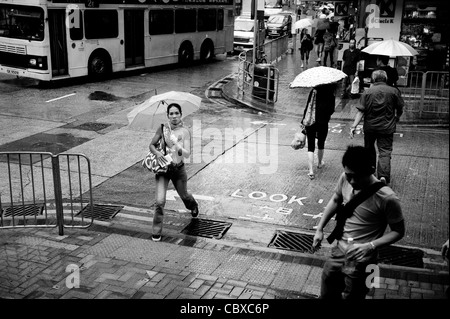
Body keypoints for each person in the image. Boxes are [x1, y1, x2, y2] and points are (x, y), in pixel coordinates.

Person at [312, 145, 405, 299]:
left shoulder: (387, 198)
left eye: (358, 176)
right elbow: (336, 199)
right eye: (349, 175)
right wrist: (320, 228)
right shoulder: (344, 178)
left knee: (355, 296)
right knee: (327, 291)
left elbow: (398, 231)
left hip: (364, 261)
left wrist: (370, 246)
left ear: (370, 170)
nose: (352, 181)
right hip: (338, 251)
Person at [149, 103, 199, 242]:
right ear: (168, 116)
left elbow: (187, 154)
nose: (174, 116)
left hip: (178, 169)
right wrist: (158, 153)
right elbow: (151, 145)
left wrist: (177, 144)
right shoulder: (163, 129)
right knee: (159, 201)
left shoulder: (185, 131)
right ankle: (156, 231)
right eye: (171, 114)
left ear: (181, 114)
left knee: (184, 195)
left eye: (176, 113)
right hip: (163, 170)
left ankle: (193, 205)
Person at [350, 70, 404, 185]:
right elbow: (400, 107)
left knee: (369, 149)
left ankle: (370, 171)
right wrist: (397, 117)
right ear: (385, 78)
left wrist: (353, 126)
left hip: (370, 127)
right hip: (387, 127)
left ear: (373, 79)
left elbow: (360, 112)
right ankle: (383, 176)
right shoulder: (394, 91)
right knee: (385, 151)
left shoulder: (367, 92)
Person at [303, 83, 336, 180]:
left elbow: (308, 106)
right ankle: (320, 163)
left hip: (311, 121)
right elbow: (331, 109)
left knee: (310, 146)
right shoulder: (331, 93)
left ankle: (311, 171)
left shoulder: (313, 91)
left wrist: (303, 120)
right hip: (323, 121)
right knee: (321, 143)